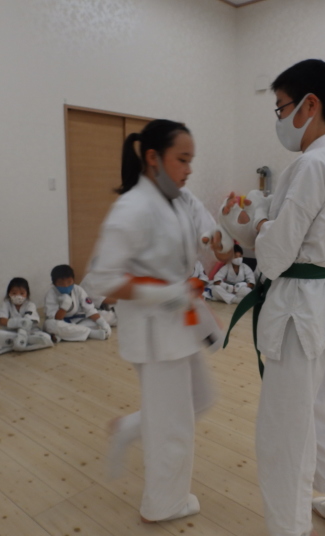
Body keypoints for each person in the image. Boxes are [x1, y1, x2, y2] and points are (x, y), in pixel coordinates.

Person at [220, 59, 325, 535]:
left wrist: (259, 222)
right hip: (319, 303)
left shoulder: (311, 164)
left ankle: (289, 528)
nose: (279, 118)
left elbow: (276, 253)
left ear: (310, 105)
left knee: (284, 428)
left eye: (281, 107)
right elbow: (291, 230)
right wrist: (256, 212)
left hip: (299, 311)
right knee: (320, 408)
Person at [84, 119, 228, 524]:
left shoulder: (180, 198)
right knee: (173, 426)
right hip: (153, 334)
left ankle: (131, 428)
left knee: (200, 398)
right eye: (182, 159)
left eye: (190, 160)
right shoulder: (131, 209)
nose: (189, 169)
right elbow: (100, 280)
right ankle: (162, 505)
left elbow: (209, 231)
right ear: (153, 158)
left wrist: (222, 238)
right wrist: (164, 293)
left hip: (180, 321)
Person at [0, 277, 56, 354]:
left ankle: (14, 345)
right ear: (9, 293)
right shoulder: (6, 304)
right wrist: (18, 323)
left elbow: (28, 322)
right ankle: (21, 343)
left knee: (46, 337)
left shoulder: (30, 305)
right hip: (11, 331)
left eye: (22, 293)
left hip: (29, 332)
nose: (18, 296)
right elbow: (2, 320)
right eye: (14, 293)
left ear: (27, 294)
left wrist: (20, 327)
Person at [43, 265, 111, 342]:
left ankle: (66, 334)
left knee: (101, 318)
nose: (66, 285)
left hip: (78, 320)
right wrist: (64, 306)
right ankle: (91, 333)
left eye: (69, 282)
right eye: (61, 283)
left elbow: (90, 310)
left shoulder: (78, 290)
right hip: (62, 322)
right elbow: (57, 318)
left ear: (73, 280)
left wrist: (103, 323)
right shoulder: (51, 294)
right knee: (50, 325)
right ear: (54, 283)